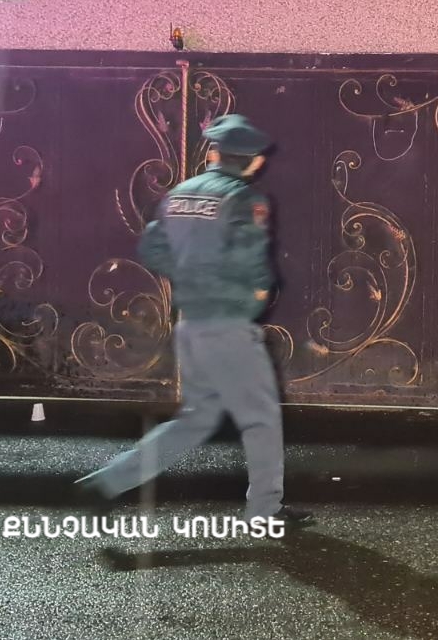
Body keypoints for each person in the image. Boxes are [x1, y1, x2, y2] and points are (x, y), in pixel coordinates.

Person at [76, 114, 312, 528]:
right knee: (261, 417)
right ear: (254, 160)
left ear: (214, 153)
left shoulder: (180, 194)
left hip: (192, 324)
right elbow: (251, 260)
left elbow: (152, 247)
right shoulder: (245, 199)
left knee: (196, 419)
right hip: (229, 325)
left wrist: (187, 276)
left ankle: (108, 482)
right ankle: (265, 510)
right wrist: (256, 295)